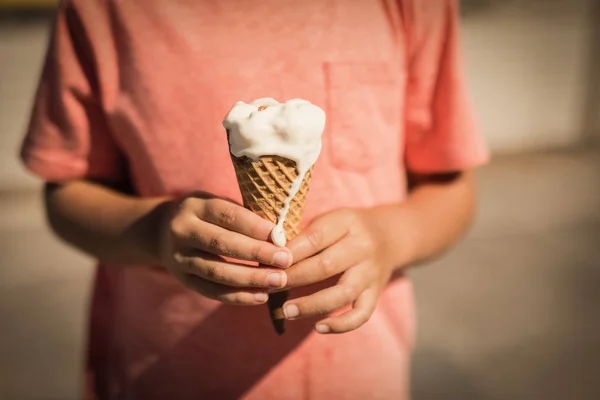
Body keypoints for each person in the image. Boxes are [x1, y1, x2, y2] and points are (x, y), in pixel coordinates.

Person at [20, 0, 489, 398]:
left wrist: (391, 236)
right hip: (165, 372)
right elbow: (66, 195)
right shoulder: (102, 10)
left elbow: (452, 191)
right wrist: (155, 232)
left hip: (360, 376)